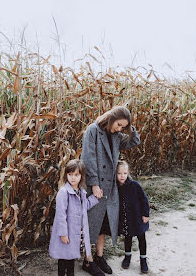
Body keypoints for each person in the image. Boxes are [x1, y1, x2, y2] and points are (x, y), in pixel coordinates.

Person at [81, 106, 141, 275]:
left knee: (104, 225)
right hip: (96, 187)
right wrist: (93, 184)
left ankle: (99, 257)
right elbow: (88, 158)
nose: (120, 129)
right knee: (91, 225)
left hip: (109, 188)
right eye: (119, 124)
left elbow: (133, 141)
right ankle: (88, 261)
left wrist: (130, 127)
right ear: (111, 118)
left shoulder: (115, 135)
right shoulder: (92, 131)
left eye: (123, 127)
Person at [49, 159, 101, 276]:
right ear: (66, 175)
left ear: (81, 176)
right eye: (70, 174)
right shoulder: (63, 192)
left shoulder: (81, 191)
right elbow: (61, 215)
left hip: (76, 231)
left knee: (71, 258)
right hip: (67, 232)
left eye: (76, 175)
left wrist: (95, 198)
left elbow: (84, 206)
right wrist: (63, 233)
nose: (73, 178)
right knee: (63, 259)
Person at [117, 160, 150, 274]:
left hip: (138, 218)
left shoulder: (134, 185)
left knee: (141, 238)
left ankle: (143, 259)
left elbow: (144, 199)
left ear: (128, 173)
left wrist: (146, 214)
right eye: (119, 173)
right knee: (128, 238)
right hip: (126, 219)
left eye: (124, 173)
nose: (122, 176)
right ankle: (127, 257)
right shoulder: (116, 188)